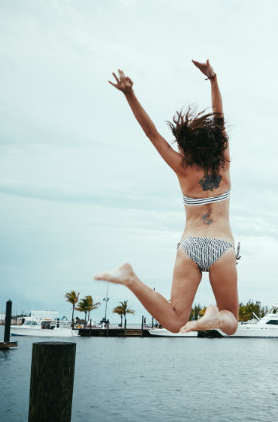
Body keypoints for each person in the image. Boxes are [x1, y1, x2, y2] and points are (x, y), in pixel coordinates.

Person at [94, 60, 238, 335]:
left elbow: (152, 134)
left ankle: (130, 278)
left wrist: (129, 94)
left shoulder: (182, 167)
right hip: (222, 246)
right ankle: (216, 318)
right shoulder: (224, 163)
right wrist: (213, 78)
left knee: (174, 321)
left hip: (190, 244)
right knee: (231, 321)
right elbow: (219, 118)